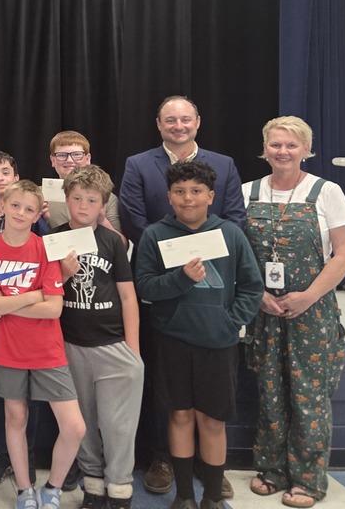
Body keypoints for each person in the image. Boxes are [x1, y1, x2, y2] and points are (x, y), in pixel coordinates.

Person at [119, 95, 246, 496]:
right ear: (158, 123)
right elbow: (134, 218)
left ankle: (210, 475)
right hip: (165, 292)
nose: (178, 125)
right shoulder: (139, 164)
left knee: (210, 411)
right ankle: (163, 458)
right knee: (169, 394)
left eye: (185, 119)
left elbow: (235, 217)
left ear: (198, 122)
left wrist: (229, 318)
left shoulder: (223, 165)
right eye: (170, 120)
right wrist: (170, 252)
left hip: (215, 308)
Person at [241, 116, 345, 508]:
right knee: (269, 391)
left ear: (306, 149)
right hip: (265, 311)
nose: (283, 152)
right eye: (276, 145)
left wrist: (307, 296)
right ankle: (272, 469)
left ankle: (308, 478)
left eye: (292, 145)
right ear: (265, 149)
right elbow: (239, 257)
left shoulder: (327, 193)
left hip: (313, 312)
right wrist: (257, 295)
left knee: (309, 395)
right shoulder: (247, 193)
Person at [134, 161, 263, 509]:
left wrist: (229, 321)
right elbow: (144, 287)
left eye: (195, 191)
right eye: (179, 192)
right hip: (172, 341)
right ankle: (185, 497)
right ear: (169, 197)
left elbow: (252, 288)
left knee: (212, 420)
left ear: (210, 196)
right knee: (179, 416)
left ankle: (211, 496)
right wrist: (181, 278)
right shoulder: (155, 235)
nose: (187, 198)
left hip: (218, 343)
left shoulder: (231, 234)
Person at [0, 180, 86, 509]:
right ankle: (25, 489)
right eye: (15, 206)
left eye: (29, 209)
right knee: (16, 417)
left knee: (74, 427)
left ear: (39, 213)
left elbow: (53, 307)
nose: (21, 213)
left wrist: (6, 298)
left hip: (47, 350)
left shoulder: (44, 248)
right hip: (6, 349)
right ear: (4, 207)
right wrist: (34, 294)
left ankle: (52, 488)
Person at [55, 166, 141, 509]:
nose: (82, 205)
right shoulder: (55, 238)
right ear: (66, 200)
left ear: (103, 205)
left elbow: (128, 297)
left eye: (91, 200)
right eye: (76, 198)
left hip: (113, 345)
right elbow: (48, 293)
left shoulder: (112, 242)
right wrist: (62, 273)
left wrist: (133, 350)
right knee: (84, 422)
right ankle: (93, 484)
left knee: (118, 424)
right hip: (70, 345)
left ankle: (120, 486)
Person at [0, 151, 49, 487]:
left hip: (33, 319)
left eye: (6, 171)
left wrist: (20, 300)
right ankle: (2, 454)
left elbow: (47, 269)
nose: (0, 177)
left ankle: (26, 455)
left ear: (16, 178)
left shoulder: (37, 220)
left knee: (32, 392)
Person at [42, 130, 123, 241]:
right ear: (52, 160)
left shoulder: (106, 196)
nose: (69, 160)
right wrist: (40, 217)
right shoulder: (38, 195)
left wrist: (101, 219)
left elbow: (122, 245)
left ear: (88, 158)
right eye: (61, 155)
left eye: (76, 155)